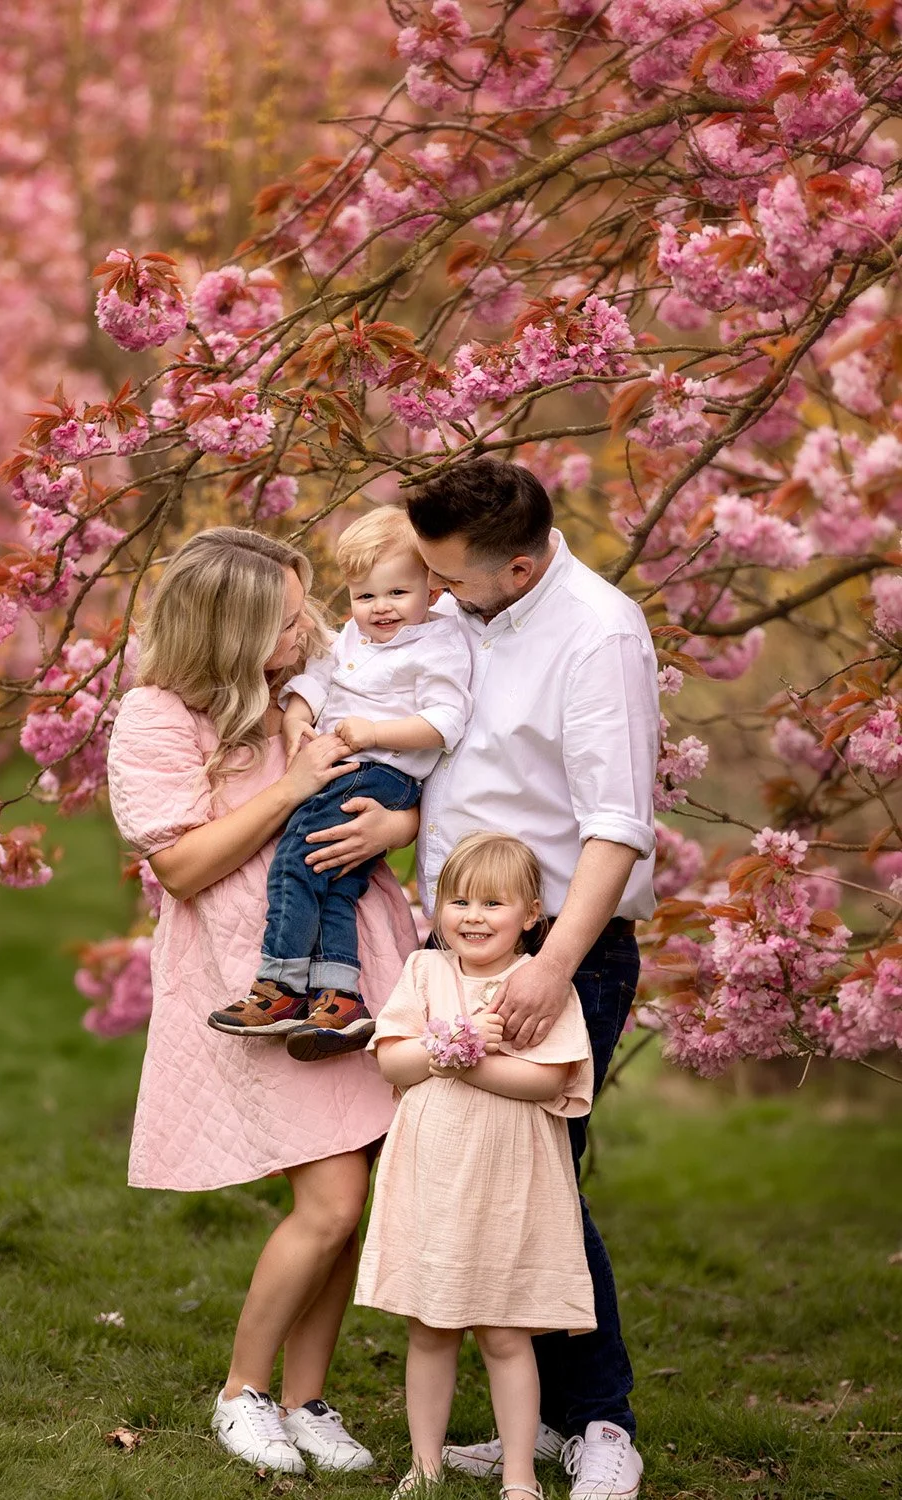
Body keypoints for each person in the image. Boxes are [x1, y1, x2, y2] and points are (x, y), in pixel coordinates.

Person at [306, 458, 657, 1500]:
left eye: (449, 579)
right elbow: (461, 758)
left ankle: (601, 1422)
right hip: (455, 939)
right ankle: (545, 1415)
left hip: (555, 947)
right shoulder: (469, 614)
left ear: (519, 561)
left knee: (539, 1187)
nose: (434, 595)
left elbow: (614, 826)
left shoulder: (596, 635)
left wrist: (553, 966)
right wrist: (402, 823)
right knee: (485, 1180)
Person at [106, 527, 420, 1475]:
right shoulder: (157, 717)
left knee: (351, 1190)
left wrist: (395, 822)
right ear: (230, 628)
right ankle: (243, 1392)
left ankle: (306, 1398)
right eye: (286, 620)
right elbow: (184, 865)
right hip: (260, 976)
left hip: (358, 958)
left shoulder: (311, 691)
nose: (310, 630)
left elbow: (404, 779)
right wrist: (288, 789)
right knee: (329, 1199)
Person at [355, 832, 595, 1500]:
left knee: (504, 1329)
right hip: (434, 1175)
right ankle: (426, 1465)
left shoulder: (540, 986)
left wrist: (477, 1060)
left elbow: (547, 1083)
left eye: (494, 901)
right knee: (430, 1327)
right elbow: (391, 1060)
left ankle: (519, 1476)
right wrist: (447, 1045)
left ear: (531, 915)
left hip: (509, 1182)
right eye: (458, 899)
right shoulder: (425, 974)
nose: (474, 915)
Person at [208, 508, 471, 1061]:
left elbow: (446, 721)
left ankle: (278, 985)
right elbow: (318, 676)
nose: (381, 609)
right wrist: (297, 716)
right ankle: (339, 998)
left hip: (385, 771)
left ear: (433, 586)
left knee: (295, 862)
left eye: (398, 592)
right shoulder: (353, 636)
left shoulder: (438, 643)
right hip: (346, 766)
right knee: (333, 877)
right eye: (365, 596)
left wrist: (374, 730)